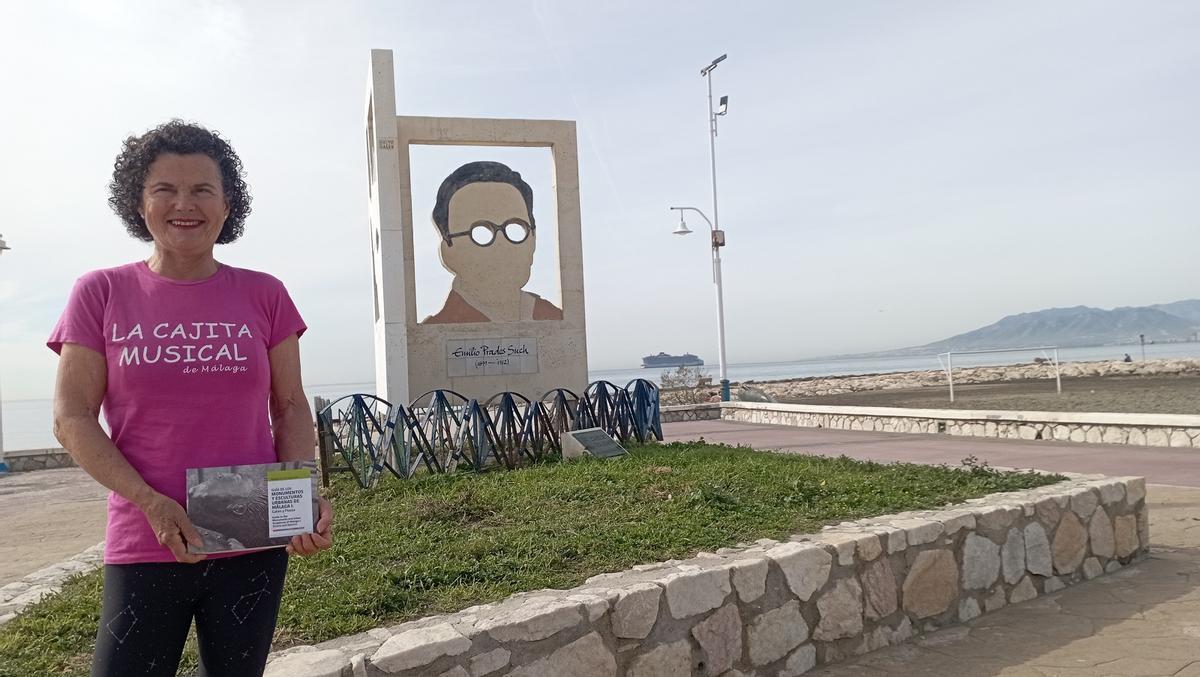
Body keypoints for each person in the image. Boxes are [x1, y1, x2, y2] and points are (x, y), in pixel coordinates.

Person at [48, 120, 333, 677]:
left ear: (228, 205)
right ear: (139, 202)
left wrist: (300, 497)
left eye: (203, 189)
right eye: (165, 189)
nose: (185, 204)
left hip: (249, 535)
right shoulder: (101, 292)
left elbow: (292, 407)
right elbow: (71, 417)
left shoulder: (264, 293)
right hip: (147, 537)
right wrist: (150, 503)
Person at [423, 161, 563, 323]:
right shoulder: (436, 332)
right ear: (448, 250)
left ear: (533, 239)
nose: (503, 246)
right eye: (479, 233)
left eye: (516, 228)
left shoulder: (553, 318)